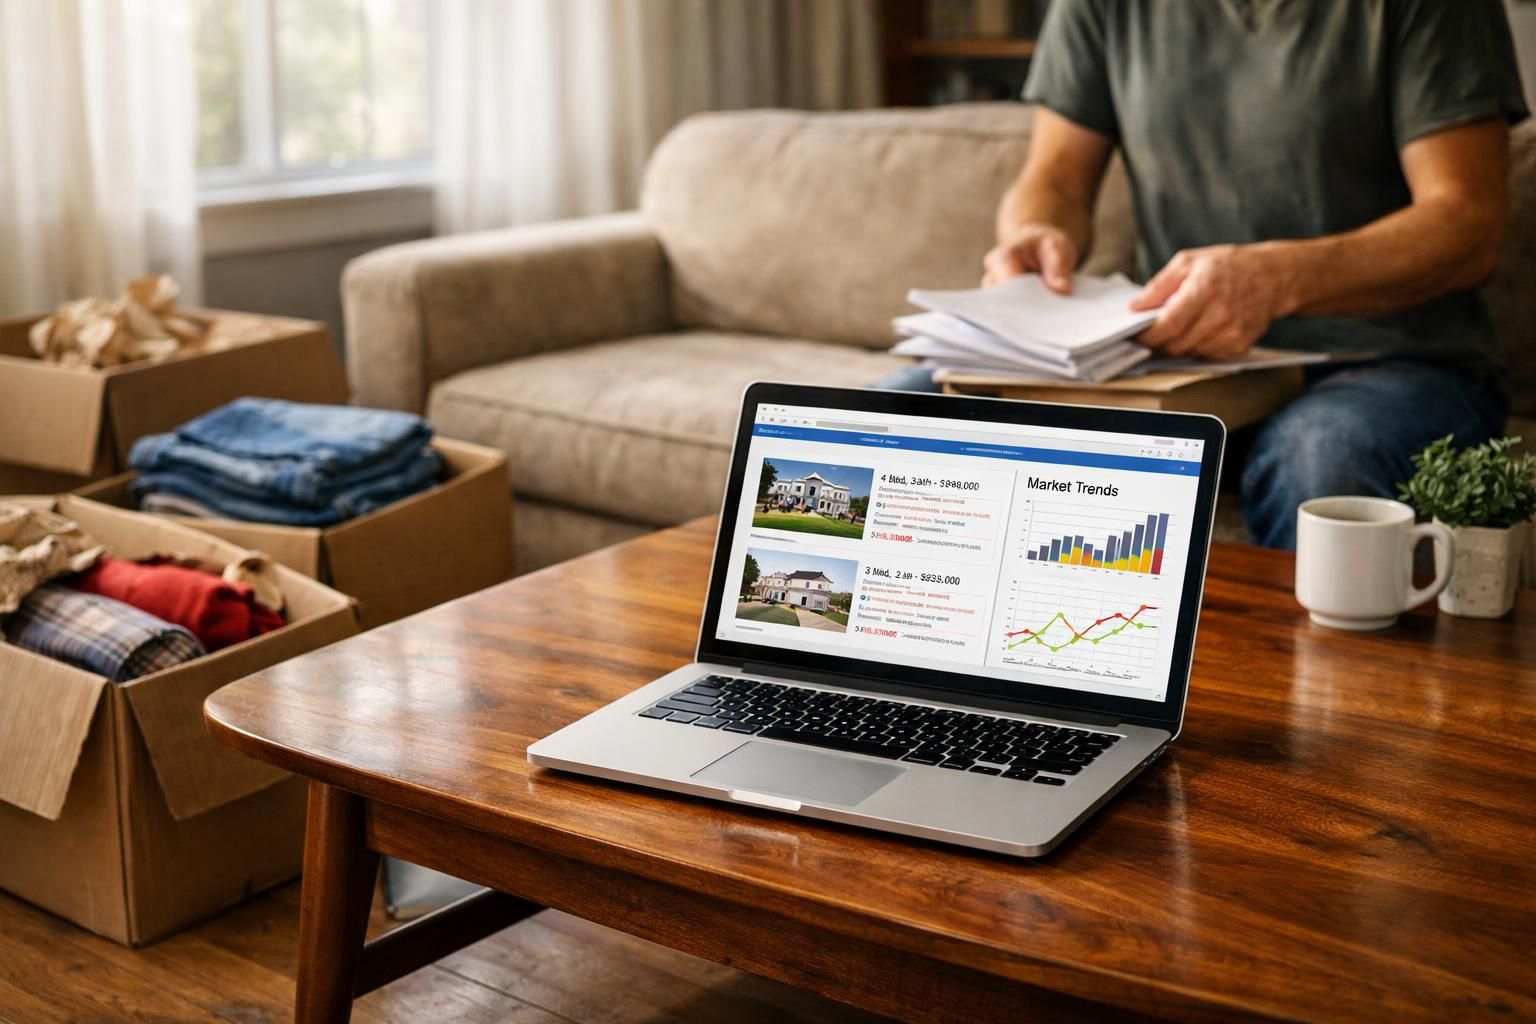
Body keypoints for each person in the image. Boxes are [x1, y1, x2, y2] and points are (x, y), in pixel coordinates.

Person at [878, 1, 1529, 549]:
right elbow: (1054, 179)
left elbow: (1467, 225)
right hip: (1176, 364)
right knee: (896, 414)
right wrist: (1033, 232)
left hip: (1389, 360)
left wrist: (1278, 278)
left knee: (1323, 458)